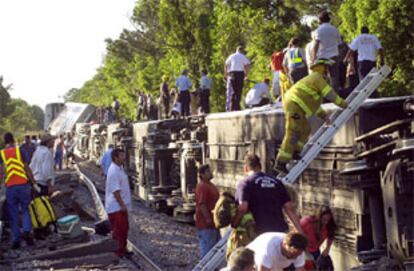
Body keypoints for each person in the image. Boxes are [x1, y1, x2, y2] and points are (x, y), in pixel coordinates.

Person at [274, 58, 348, 174]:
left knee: (306, 129)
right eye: (327, 68)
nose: (328, 71)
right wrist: (343, 104)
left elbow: (313, 103)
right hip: (294, 103)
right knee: (293, 131)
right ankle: (281, 162)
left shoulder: (314, 80)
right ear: (323, 68)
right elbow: (330, 94)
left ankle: (295, 152)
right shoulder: (317, 78)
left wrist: (324, 116)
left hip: (296, 104)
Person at [233, 154, 302, 235]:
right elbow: (289, 208)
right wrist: (300, 231)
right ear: (260, 167)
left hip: (257, 233)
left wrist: (234, 224)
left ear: (245, 168)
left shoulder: (245, 183)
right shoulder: (276, 182)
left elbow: (242, 208)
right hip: (279, 230)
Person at [0, 132, 35, 249]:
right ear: (13, 140)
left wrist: (1, 184)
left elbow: (1, 172)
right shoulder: (20, 150)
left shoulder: (2, 154)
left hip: (10, 187)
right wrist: (33, 181)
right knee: (25, 209)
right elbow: (26, 167)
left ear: (4, 141)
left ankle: (16, 239)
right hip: (23, 185)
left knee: (13, 213)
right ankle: (26, 230)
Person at [105, 148, 132, 257]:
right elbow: (115, 191)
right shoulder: (114, 171)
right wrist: (122, 204)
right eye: (122, 156)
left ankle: (123, 249)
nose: (124, 158)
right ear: (115, 158)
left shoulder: (119, 168)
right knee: (119, 231)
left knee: (124, 228)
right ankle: (118, 253)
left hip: (120, 206)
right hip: (116, 207)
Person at [347, 26, 384, 97]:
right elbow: (380, 49)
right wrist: (382, 60)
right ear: (368, 31)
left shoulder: (358, 38)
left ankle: (365, 96)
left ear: (361, 31)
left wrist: (346, 59)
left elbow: (351, 50)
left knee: (363, 80)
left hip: (362, 62)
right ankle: (373, 95)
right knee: (372, 79)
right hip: (372, 61)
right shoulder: (373, 38)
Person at [311, 11, 342, 92]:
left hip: (322, 57)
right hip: (334, 56)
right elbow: (339, 43)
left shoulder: (318, 30)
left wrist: (313, 57)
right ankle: (335, 97)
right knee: (334, 77)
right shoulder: (335, 29)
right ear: (329, 19)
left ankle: (324, 97)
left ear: (320, 20)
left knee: (322, 78)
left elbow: (316, 44)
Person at [195, 164, 221, 259]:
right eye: (208, 172)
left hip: (214, 224)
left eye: (210, 171)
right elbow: (202, 204)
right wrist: (208, 219)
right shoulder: (202, 186)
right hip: (206, 224)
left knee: (215, 250)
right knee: (207, 251)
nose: (211, 173)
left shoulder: (210, 185)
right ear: (202, 174)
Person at [225, 46, 251, 111]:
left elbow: (226, 64)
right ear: (241, 51)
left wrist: (226, 74)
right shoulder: (242, 56)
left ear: (236, 50)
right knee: (239, 90)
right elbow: (247, 65)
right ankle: (237, 107)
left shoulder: (231, 56)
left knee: (233, 91)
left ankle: (232, 107)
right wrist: (246, 74)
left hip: (232, 73)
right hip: (240, 74)